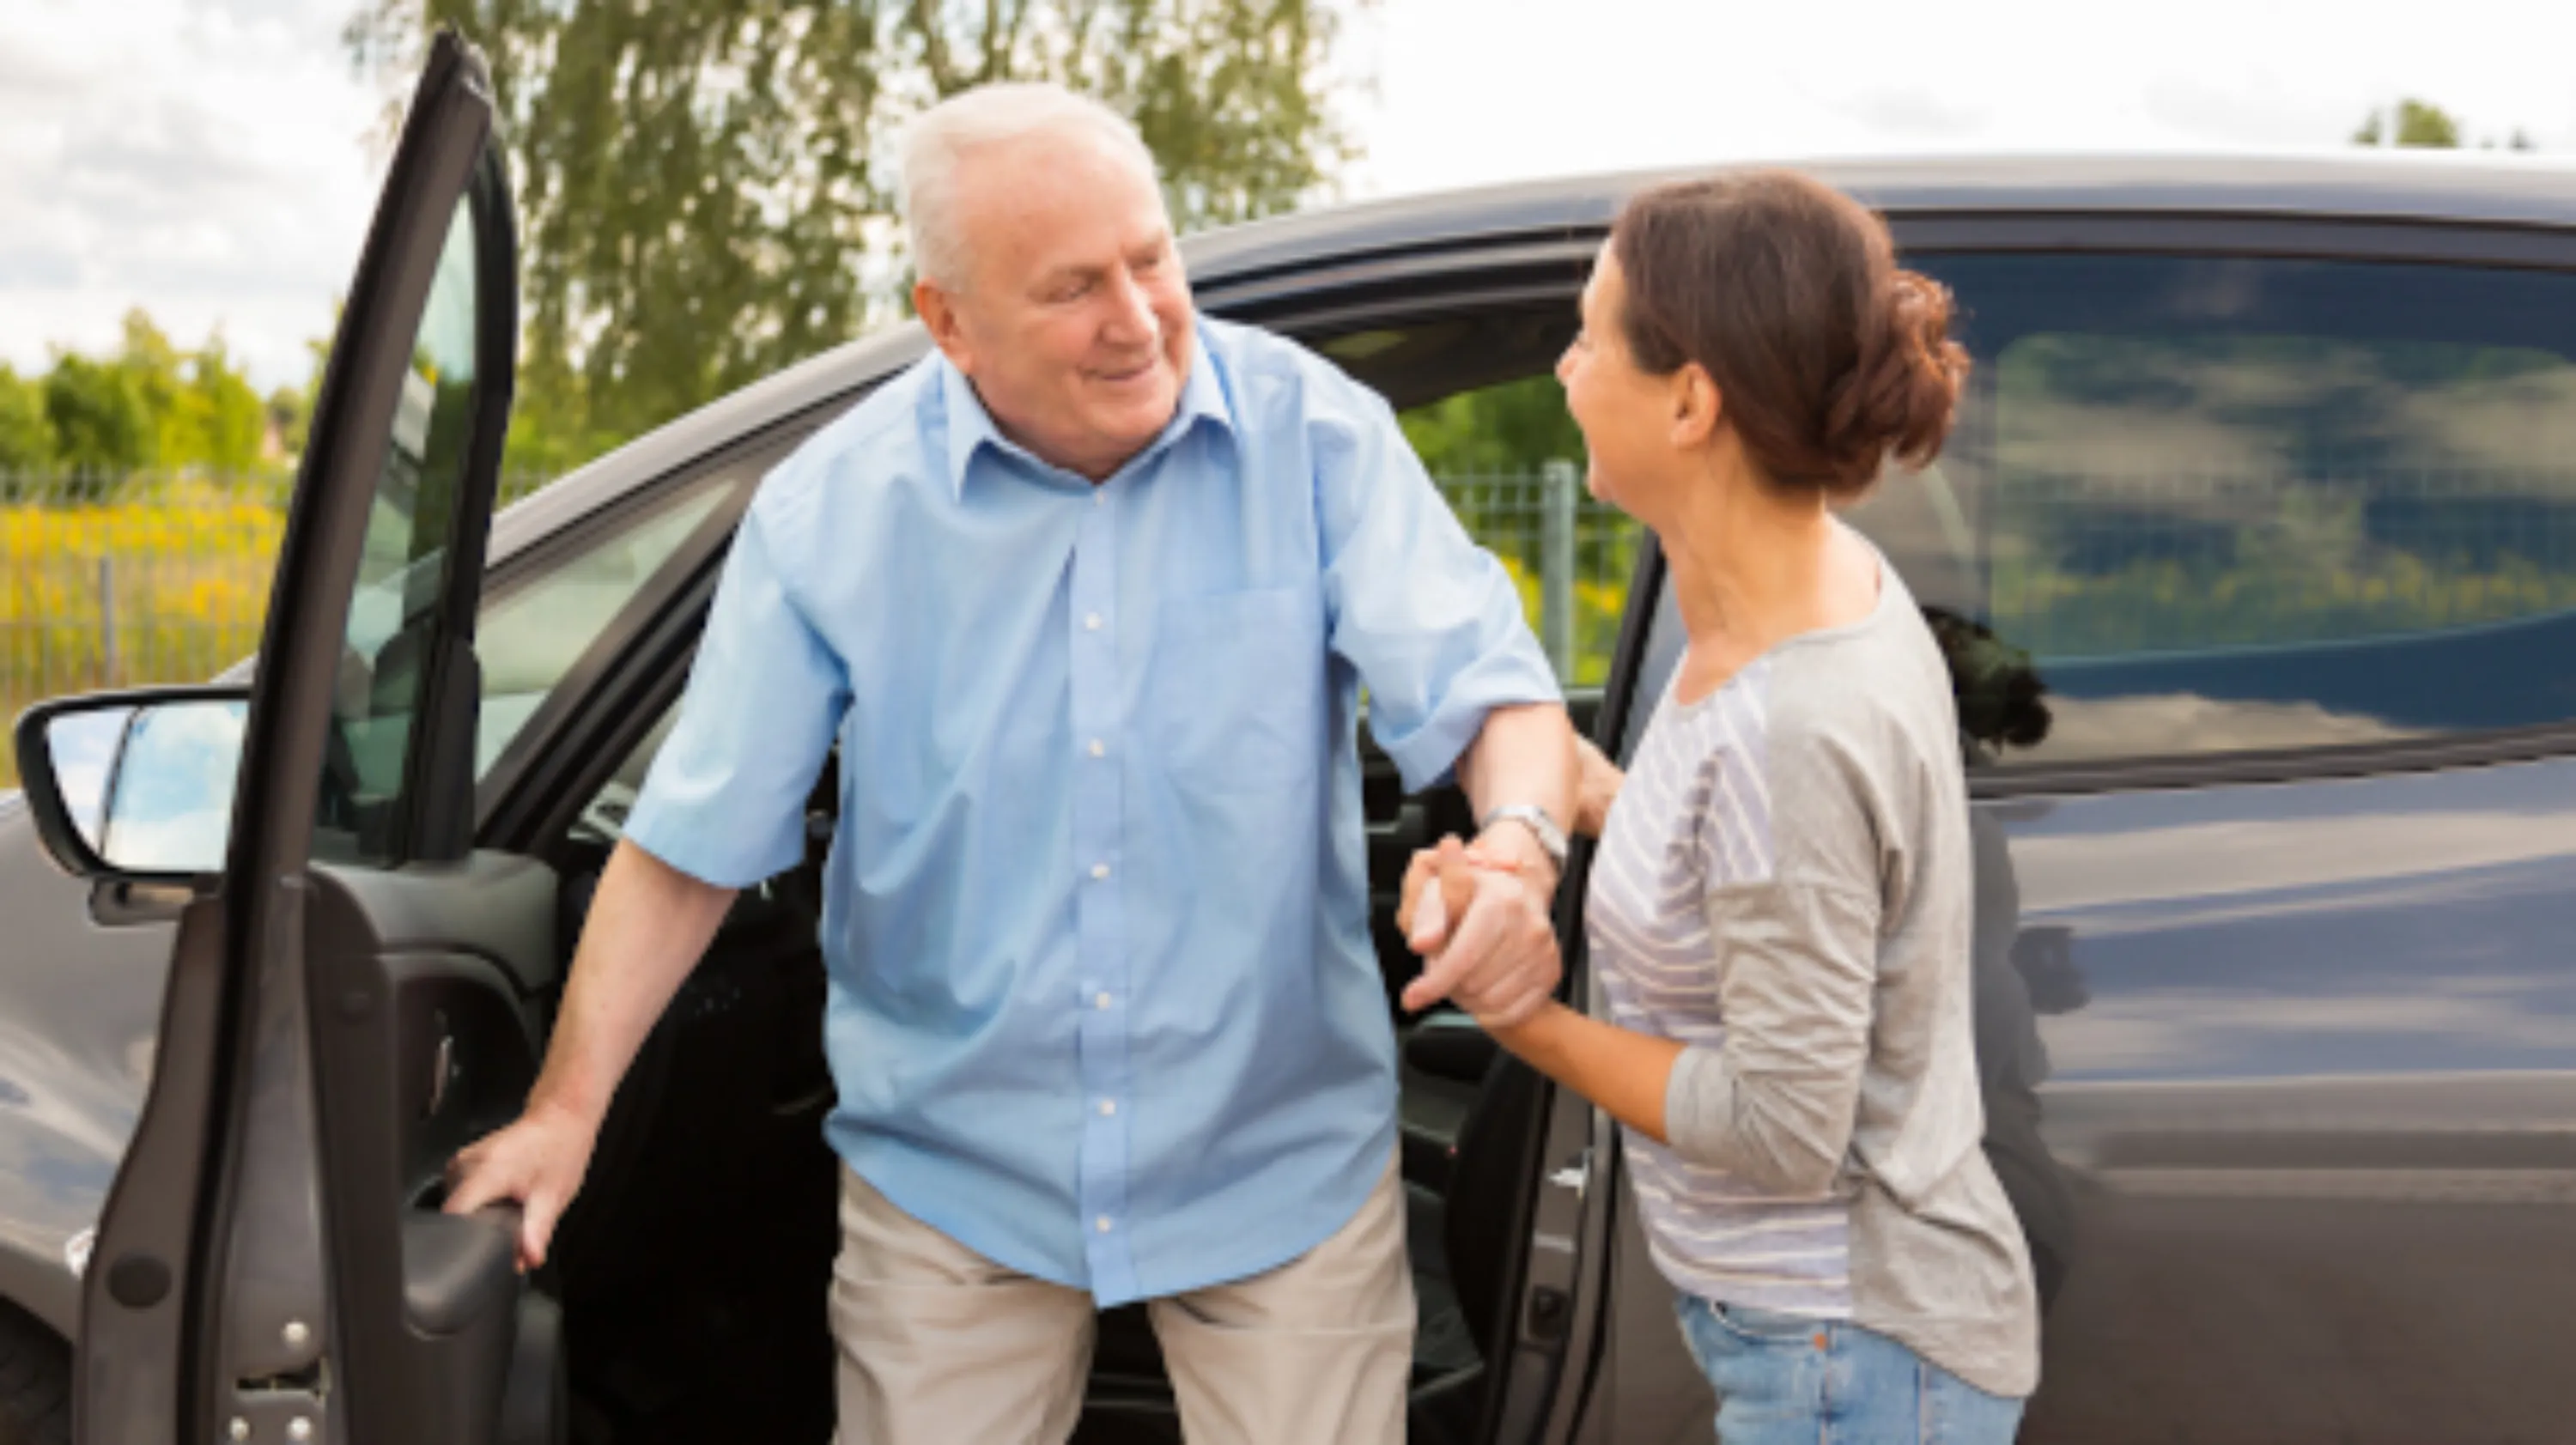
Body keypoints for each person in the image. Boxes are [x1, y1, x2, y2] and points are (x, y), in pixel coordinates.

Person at [445, 82, 1578, 1445]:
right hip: (955, 1185)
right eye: (1074, 287)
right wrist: (568, 1112)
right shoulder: (835, 512)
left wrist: (1518, 849)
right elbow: (691, 844)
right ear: (948, 321)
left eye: (1152, 258)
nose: (1140, 315)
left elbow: (1493, 697)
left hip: (1278, 1168)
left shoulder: (1318, 440)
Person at [1404, 170, 2040, 1443]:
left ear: (1691, 398)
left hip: (1850, 1359)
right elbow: (1763, 867)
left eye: (1590, 335)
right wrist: (1587, 800)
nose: (1566, 367)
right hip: (1824, 1341)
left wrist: (1516, 1014)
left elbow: (1783, 1127)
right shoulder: (1818, 587)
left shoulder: (1792, 714)